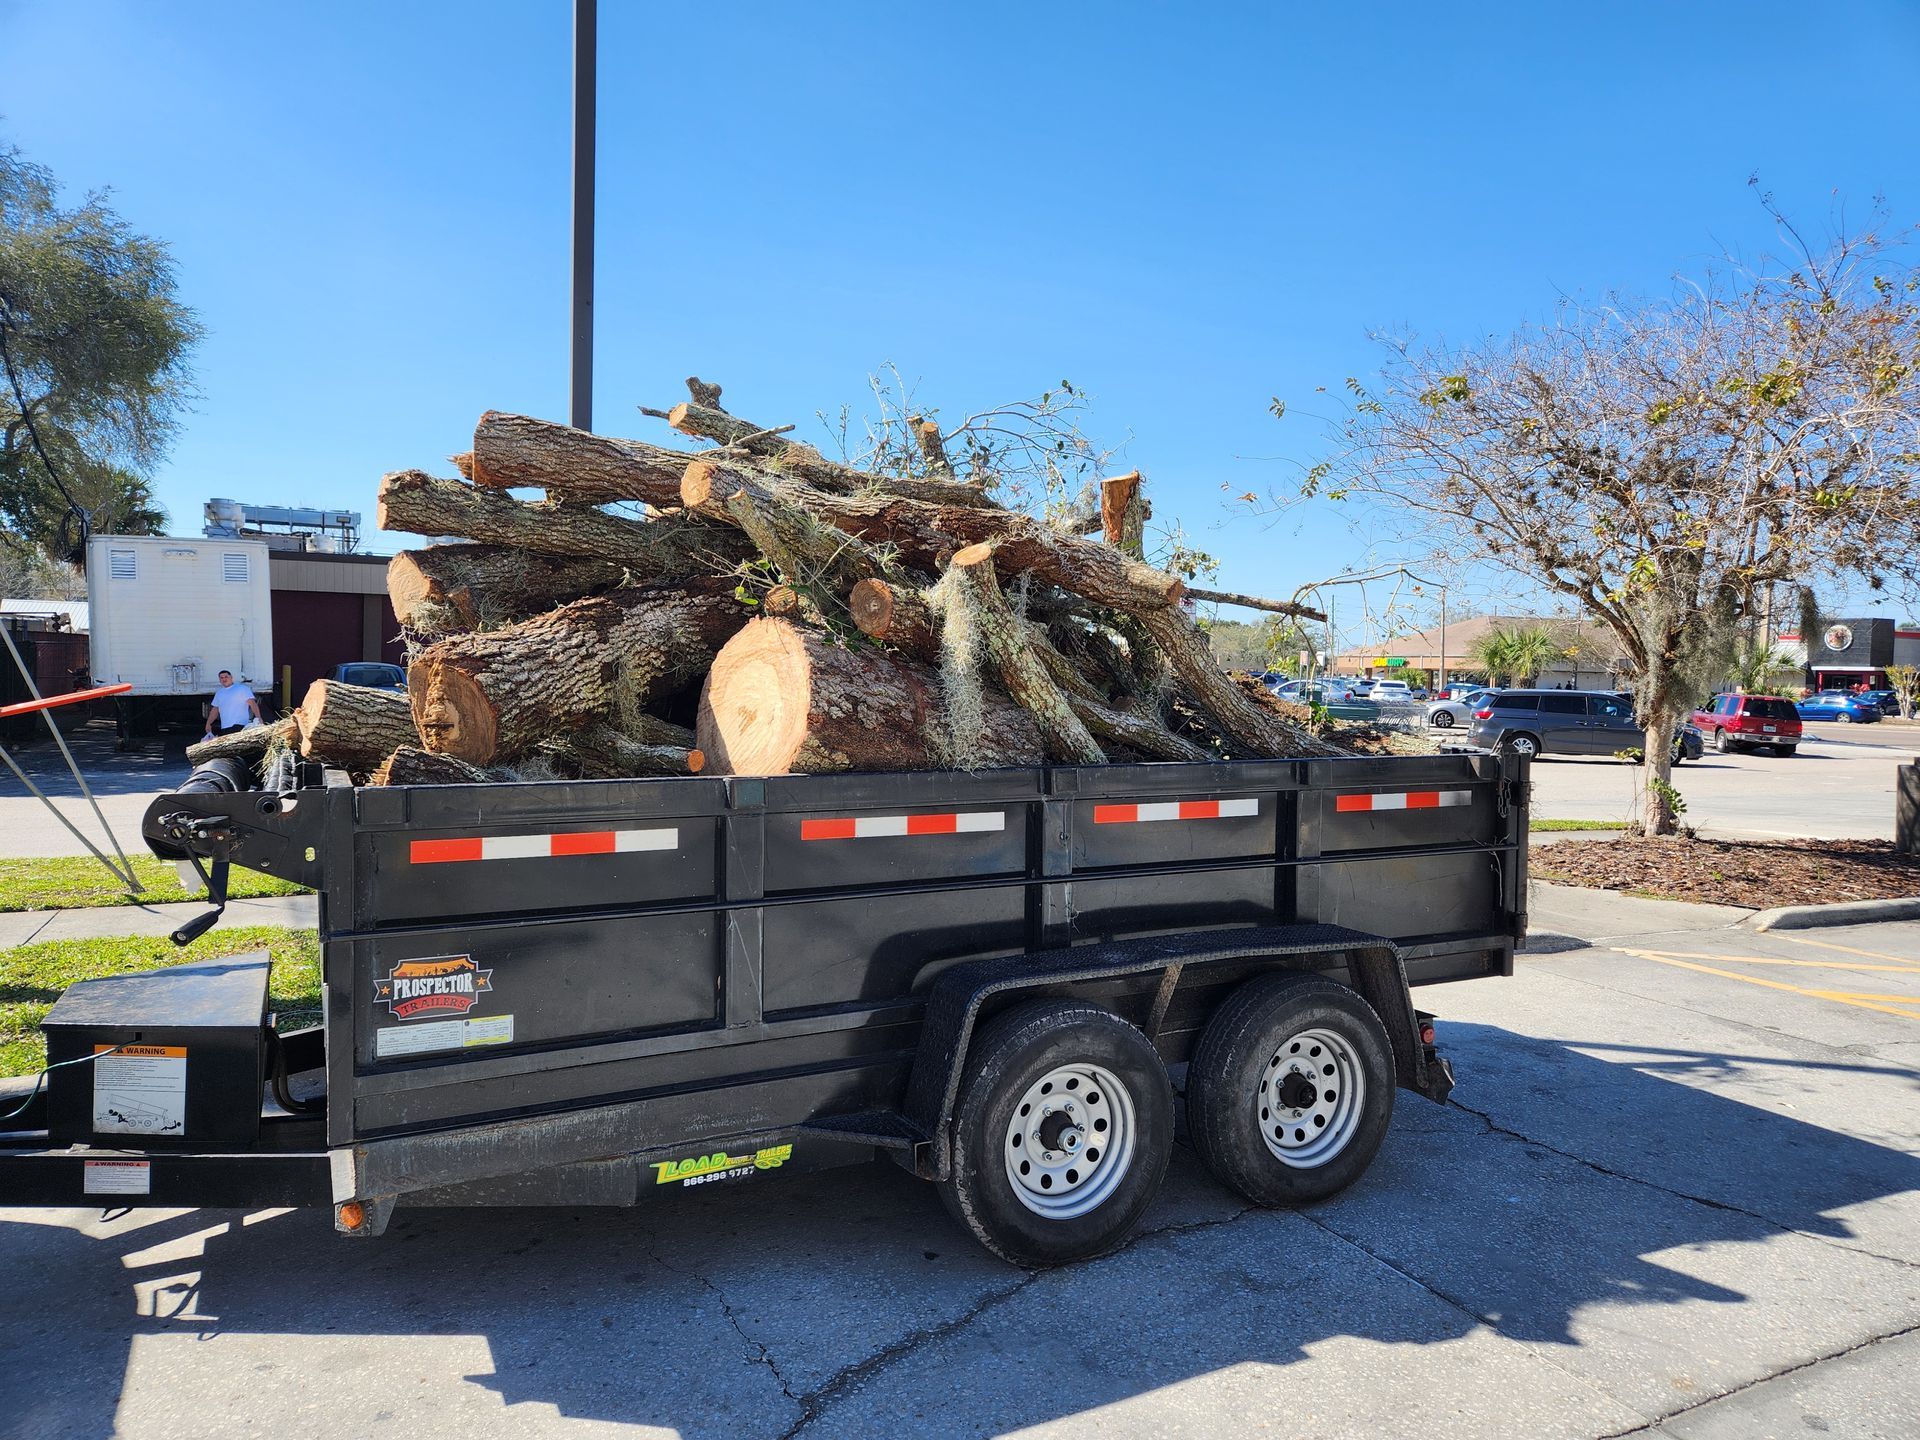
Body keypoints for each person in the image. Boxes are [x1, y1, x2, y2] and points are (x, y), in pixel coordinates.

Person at [204, 669, 262, 738]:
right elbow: (215, 710)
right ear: (219, 680)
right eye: (221, 678)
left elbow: (252, 704)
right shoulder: (219, 693)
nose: (224, 679)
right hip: (225, 728)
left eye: (226, 677)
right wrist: (208, 723)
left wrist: (258, 717)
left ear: (231, 677)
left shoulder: (242, 688)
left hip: (240, 726)